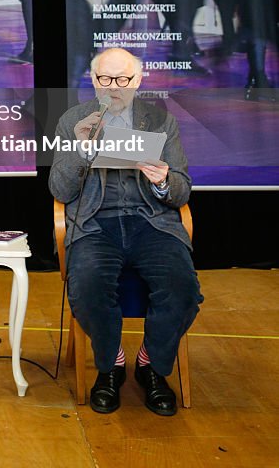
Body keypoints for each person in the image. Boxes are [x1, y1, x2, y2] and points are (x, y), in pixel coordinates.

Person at [48, 47, 202, 416]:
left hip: (151, 223)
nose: (113, 88)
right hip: (95, 223)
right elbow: (59, 190)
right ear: (93, 79)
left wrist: (164, 180)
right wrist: (80, 150)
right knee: (86, 285)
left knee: (183, 289)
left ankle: (151, 365)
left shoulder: (160, 121)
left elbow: (182, 188)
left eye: (123, 79)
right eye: (104, 79)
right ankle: (112, 363)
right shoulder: (74, 119)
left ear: (138, 80)